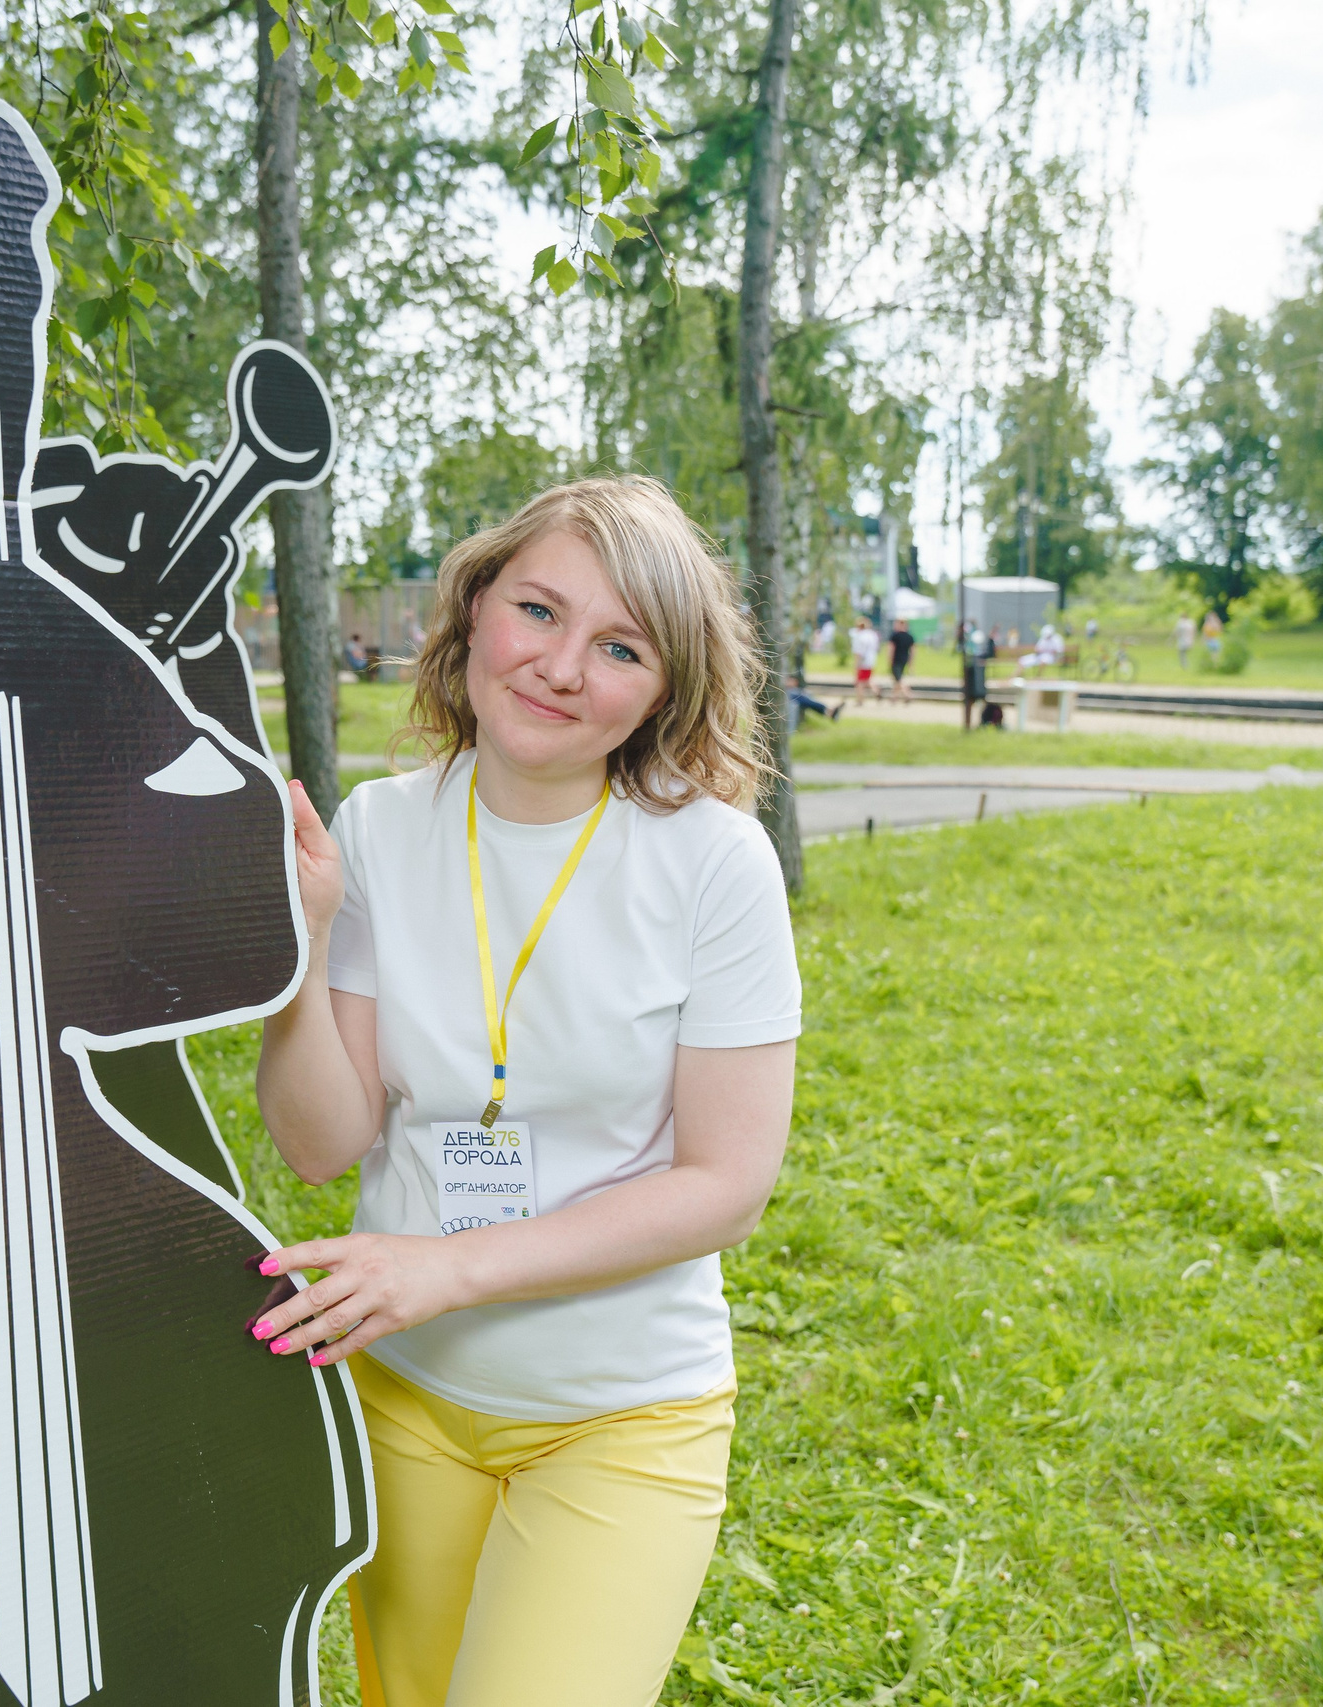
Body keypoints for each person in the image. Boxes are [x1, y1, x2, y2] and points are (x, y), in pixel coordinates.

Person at [251, 475, 800, 1707]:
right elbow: (321, 1143)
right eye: (538, 611)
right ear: (475, 606)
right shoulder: (384, 828)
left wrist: (444, 1266)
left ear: (665, 687)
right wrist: (298, 950)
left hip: (620, 1416)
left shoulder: (714, 863)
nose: (560, 667)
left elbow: (723, 1189)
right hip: (407, 1395)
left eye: (619, 646)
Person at [960, 618, 993, 730]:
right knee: (971, 700)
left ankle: (983, 721)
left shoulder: (976, 637)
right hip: (972, 674)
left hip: (976, 675)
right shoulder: (969, 638)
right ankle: (970, 724)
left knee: (976, 699)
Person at [848, 614, 880, 704]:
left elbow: (858, 652)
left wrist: (856, 664)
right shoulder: (872, 635)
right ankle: (876, 691)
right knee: (867, 679)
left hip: (863, 661)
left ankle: (860, 699)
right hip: (871, 660)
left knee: (860, 681)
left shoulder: (859, 637)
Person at [885, 617, 916, 701]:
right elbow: (913, 651)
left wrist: (889, 660)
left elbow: (891, 649)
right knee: (897, 678)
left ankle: (908, 694)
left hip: (896, 660)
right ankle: (894, 697)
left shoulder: (895, 636)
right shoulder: (910, 637)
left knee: (899, 679)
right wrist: (911, 663)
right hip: (904, 659)